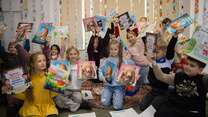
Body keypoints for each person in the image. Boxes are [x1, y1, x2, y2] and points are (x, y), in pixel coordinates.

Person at [2, 52, 59, 117]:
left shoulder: (49, 77)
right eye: (39, 61)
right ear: (32, 64)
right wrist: (12, 92)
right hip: (32, 108)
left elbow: (52, 94)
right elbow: (24, 96)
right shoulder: (27, 79)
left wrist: (59, 86)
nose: (43, 63)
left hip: (48, 107)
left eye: (44, 60)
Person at [99, 39, 125, 110]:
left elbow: (126, 73)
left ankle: (120, 94)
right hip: (108, 85)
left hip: (118, 86)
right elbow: (100, 70)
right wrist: (102, 78)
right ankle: (110, 96)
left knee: (117, 106)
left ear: (119, 50)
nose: (113, 51)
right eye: (111, 49)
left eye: (115, 49)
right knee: (104, 103)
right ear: (109, 49)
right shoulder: (106, 60)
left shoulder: (122, 61)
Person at [55, 46, 82, 112]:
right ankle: (74, 105)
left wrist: (86, 77)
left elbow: (82, 80)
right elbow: (59, 78)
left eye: (75, 54)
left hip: (76, 90)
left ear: (78, 55)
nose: (73, 56)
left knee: (79, 99)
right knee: (57, 98)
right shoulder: (65, 65)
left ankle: (69, 103)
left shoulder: (81, 66)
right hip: (66, 89)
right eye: (71, 54)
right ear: (68, 55)